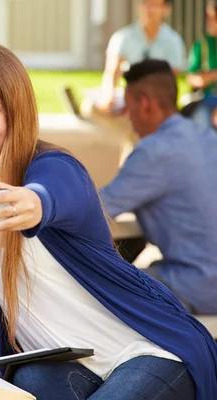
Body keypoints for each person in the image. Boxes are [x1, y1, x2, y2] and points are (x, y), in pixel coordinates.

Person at [0, 43, 217, 400]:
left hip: (142, 351)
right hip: (68, 362)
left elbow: (56, 192)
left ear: (17, 110)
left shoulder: (53, 167)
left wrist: (36, 202)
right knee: (28, 384)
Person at [100, 59, 217, 316]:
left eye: (129, 108)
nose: (129, 119)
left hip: (201, 286)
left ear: (145, 103)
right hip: (205, 278)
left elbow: (95, 209)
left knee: (102, 289)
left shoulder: (154, 151)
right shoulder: (207, 137)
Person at [97, 0, 185, 114]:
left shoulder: (174, 41)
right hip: (128, 99)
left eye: (155, 5)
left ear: (166, 9)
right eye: (146, 4)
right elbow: (111, 72)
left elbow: (171, 81)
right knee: (91, 108)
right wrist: (109, 95)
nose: (149, 10)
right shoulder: (123, 37)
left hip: (157, 103)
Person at [187, 2, 217, 129]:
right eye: (208, 18)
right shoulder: (202, 45)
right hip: (207, 100)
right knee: (199, 125)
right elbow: (192, 78)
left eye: (214, 18)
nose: (210, 22)